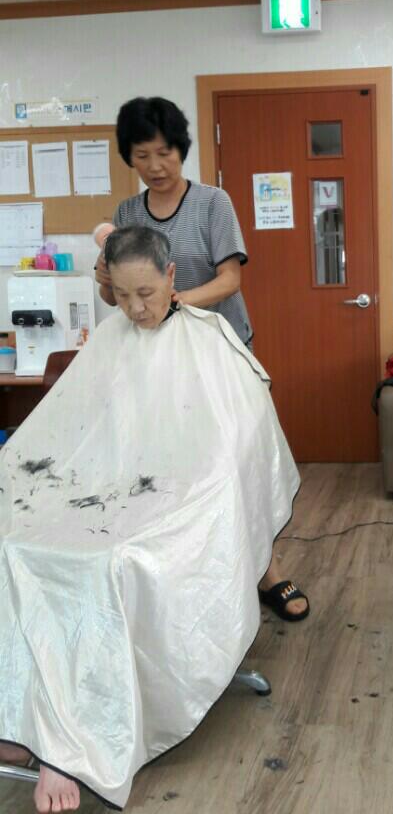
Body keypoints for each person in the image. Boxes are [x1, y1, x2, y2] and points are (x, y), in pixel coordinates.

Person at [0, 226, 300, 811]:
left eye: (147, 293)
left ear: (171, 277)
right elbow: (73, 438)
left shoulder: (208, 339)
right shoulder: (109, 342)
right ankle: (18, 715)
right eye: (122, 295)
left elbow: (237, 452)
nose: (136, 309)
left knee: (109, 562)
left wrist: (192, 492)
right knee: (15, 544)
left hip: (178, 505)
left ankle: (66, 748)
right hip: (99, 493)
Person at [94, 97, 308, 621]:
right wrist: (107, 281)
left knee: (235, 460)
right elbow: (116, 295)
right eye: (142, 155)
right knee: (168, 466)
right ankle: (186, 570)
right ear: (129, 158)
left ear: (181, 150)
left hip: (218, 353)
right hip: (156, 363)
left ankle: (268, 569)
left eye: (164, 153)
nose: (155, 166)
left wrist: (174, 302)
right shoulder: (126, 214)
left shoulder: (213, 202)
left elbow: (230, 279)